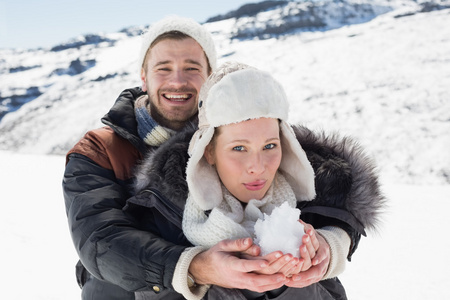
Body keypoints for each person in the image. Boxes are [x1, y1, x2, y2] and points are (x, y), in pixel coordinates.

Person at [63, 16, 384, 300]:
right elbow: (100, 241)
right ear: (144, 78)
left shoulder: (243, 131)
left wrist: (329, 245)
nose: (178, 81)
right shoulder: (100, 151)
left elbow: (334, 192)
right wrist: (197, 267)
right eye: (164, 69)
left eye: (192, 68)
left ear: (211, 79)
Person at [133, 61, 354, 299]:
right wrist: (202, 274)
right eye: (239, 148)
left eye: (270, 146)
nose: (258, 167)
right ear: (208, 151)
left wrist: (331, 246)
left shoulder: (310, 205)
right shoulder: (162, 215)